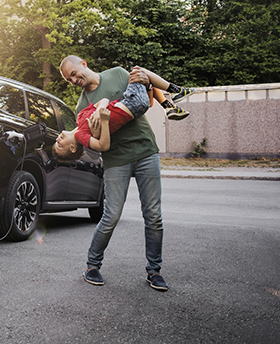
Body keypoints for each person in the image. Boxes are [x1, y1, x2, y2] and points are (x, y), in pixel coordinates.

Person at [59, 55, 192, 291]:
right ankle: (92, 265)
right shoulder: (81, 107)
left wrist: (146, 86)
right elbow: (99, 140)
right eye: (69, 79)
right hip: (115, 159)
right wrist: (102, 120)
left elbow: (143, 100)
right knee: (110, 216)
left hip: (144, 150)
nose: (73, 80)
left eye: (73, 73)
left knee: (153, 215)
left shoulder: (118, 74)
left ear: (84, 64)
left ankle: (154, 271)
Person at [53, 67, 193, 159]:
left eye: (56, 142)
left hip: (130, 102)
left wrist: (100, 108)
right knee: (138, 71)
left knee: (142, 79)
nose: (57, 139)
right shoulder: (80, 135)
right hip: (132, 106)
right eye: (59, 145)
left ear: (83, 64)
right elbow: (104, 146)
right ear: (72, 148)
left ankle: (168, 104)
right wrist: (104, 121)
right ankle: (174, 92)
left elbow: (104, 100)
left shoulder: (80, 117)